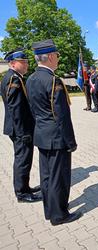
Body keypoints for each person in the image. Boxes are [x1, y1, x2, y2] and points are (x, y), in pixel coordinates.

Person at [26, 39, 81, 225]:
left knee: (47, 177)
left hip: (41, 135)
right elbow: (62, 115)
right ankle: (60, 215)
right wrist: (70, 141)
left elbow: (32, 110)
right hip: (57, 137)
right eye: (56, 55)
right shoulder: (53, 80)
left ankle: (50, 211)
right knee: (60, 177)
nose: (58, 58)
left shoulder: (31, 79)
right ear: (50, 56)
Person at [0, 48, 41, 203]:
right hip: (20, 129)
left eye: (26, 62)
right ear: (12, 64)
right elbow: (15, 109)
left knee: (23, 159)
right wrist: (23, 132)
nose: (26, 65)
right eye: (22, 62)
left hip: (19, 128)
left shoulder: (12, 77)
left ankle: (25, 187)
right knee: (22, 160)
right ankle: (22, 193)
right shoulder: (14, 80)